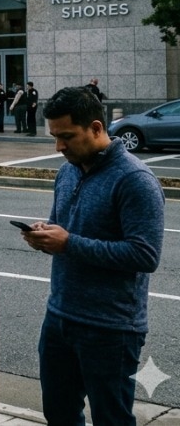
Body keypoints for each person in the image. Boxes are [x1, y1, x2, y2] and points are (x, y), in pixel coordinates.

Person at [19, 87, 164, 425]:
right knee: (59, 412)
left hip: (110, 328)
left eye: (67, 136)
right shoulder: (67, 170)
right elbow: (64, 225)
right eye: (54, 137)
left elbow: (145, 255)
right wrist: (45, 232)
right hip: (59, 316)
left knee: (111, 418)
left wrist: (68, 243)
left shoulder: (135, 180)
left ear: (97, 128)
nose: (59, 146)